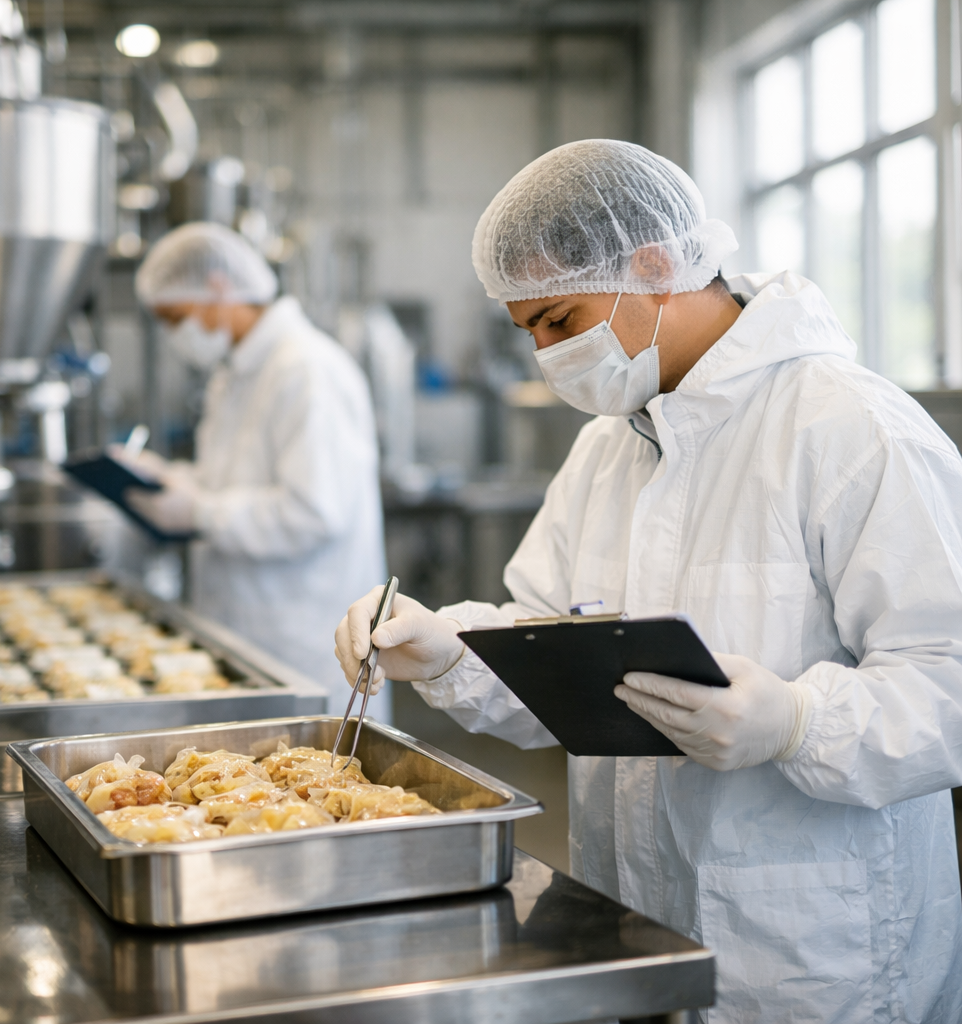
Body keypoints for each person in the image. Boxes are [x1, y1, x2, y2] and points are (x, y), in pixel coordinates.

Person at [334, 140, 962, 1021]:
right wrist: (450, 651)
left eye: (560, 319)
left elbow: (947, 680)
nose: (547, 356)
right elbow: (555, 641)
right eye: (529, 334)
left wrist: (797, 722)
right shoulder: (610, 444)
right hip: (635, 920)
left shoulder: (849, 429)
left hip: (816, 948)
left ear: (657, 264)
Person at [128, 222, 388, 717]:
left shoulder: (307, 370)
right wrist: (168, 480)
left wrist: (199, 513)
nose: (173, 335)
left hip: (304, 648)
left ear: (219, 289)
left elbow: (312, 513)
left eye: (176, 317)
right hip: (246, 638)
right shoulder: (233, 375)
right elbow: (230, 482)